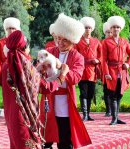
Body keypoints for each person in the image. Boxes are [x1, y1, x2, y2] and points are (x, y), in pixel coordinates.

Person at [0, 30, 70, 149]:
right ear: (24, 47)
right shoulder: (25, 65)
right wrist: (62, 75)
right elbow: (45, 87)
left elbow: (7, 82)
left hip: (10, 115)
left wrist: (36, 73)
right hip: (24, 116)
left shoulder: (7, 64)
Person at [40, 13, 92, 149]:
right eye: (58, 39)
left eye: (64, 40)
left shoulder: (78, 57)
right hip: (49, 98)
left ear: (72, 40)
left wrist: (60, 69)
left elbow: (75, 78)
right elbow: (39, 70)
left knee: (64, 137)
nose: (60, 43)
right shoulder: (49, 51)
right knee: (46, 135)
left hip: (65, 100)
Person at [102, 16, 130, 125]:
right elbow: (103, 60)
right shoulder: (106, 42)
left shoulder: (124, 41)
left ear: (120, 29)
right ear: (110, 29)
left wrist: (128, 63)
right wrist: (106, 73)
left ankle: (117, 117)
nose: (116, 29)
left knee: (120, 94)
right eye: (113, 27)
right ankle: (114, 118)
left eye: (117, 27)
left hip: (122, 71)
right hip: (111, 71)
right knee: (112, 95)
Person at [75, 17, 102, 121]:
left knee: (90, 93)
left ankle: (88, 114)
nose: (88, 30)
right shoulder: (78, 41)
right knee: (83, 92)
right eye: (86, 27)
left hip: (92, 71)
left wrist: (98, 61)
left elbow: (102, 55)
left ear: (92, 29)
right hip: (82, 70)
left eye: (89, 28)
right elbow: (75, 55)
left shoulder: (96, 42)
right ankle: (85, 114)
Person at [102, 22, 112, 117]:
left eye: (110, 32)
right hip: (105, 69)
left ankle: (114, 110)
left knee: (114, 91)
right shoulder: (102, 43)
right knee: (106, 90)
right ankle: (108, 109)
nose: (109, 34)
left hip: (114, 70)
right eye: (107, 32)